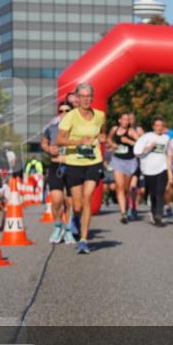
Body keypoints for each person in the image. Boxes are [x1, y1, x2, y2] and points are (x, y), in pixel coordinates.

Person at [55, 82, 106, 254]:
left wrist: (103, 138)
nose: (85, 99)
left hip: (93, 161)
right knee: (77, 206)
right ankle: (75, 218)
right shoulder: (70, 116)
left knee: (88, 196)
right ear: (77, 98)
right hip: (74, 163)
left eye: (88, 96)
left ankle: (83, 239)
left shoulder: (100, 115)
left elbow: (101, 132)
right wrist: (78, 142)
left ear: (92, 97)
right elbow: (59, 140)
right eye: (82, 96)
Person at [40, 100, 73, 244]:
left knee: (71, 202)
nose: (64, 113)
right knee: (57, 200)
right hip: (55, 166)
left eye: (67, 110)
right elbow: (44, 143)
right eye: (61, 111)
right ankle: (58, 226)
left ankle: (69, 230)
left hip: (73, 166)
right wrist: (48, 149)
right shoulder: (52, 127)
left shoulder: (77, 128)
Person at [134, 117, 171, 226]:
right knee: (153, 193)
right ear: (153, 126)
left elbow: (169, 154)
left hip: (162, 168)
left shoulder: (166, 138)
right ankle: (154, 212)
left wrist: (170, 170)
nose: (159, 128)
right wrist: (150, 147)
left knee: (160, 191)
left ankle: (159, 215)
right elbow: (137, 152)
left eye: (161, 126)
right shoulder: (146, 137)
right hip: (148, 169)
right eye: (157, 125)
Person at [107, 112, 140, 224]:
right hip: (117, 160)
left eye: (127, 120)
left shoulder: (131, 131)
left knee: (126, 189)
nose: (125, 122)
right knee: (119, 187)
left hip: (130, 161)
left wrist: (129, 141)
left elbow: (140, 144)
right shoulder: (114, 129)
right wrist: (112, 144)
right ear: (119, 120)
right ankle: (123, 213)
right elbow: (109, 139)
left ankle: (126, 206)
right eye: (124, 119)